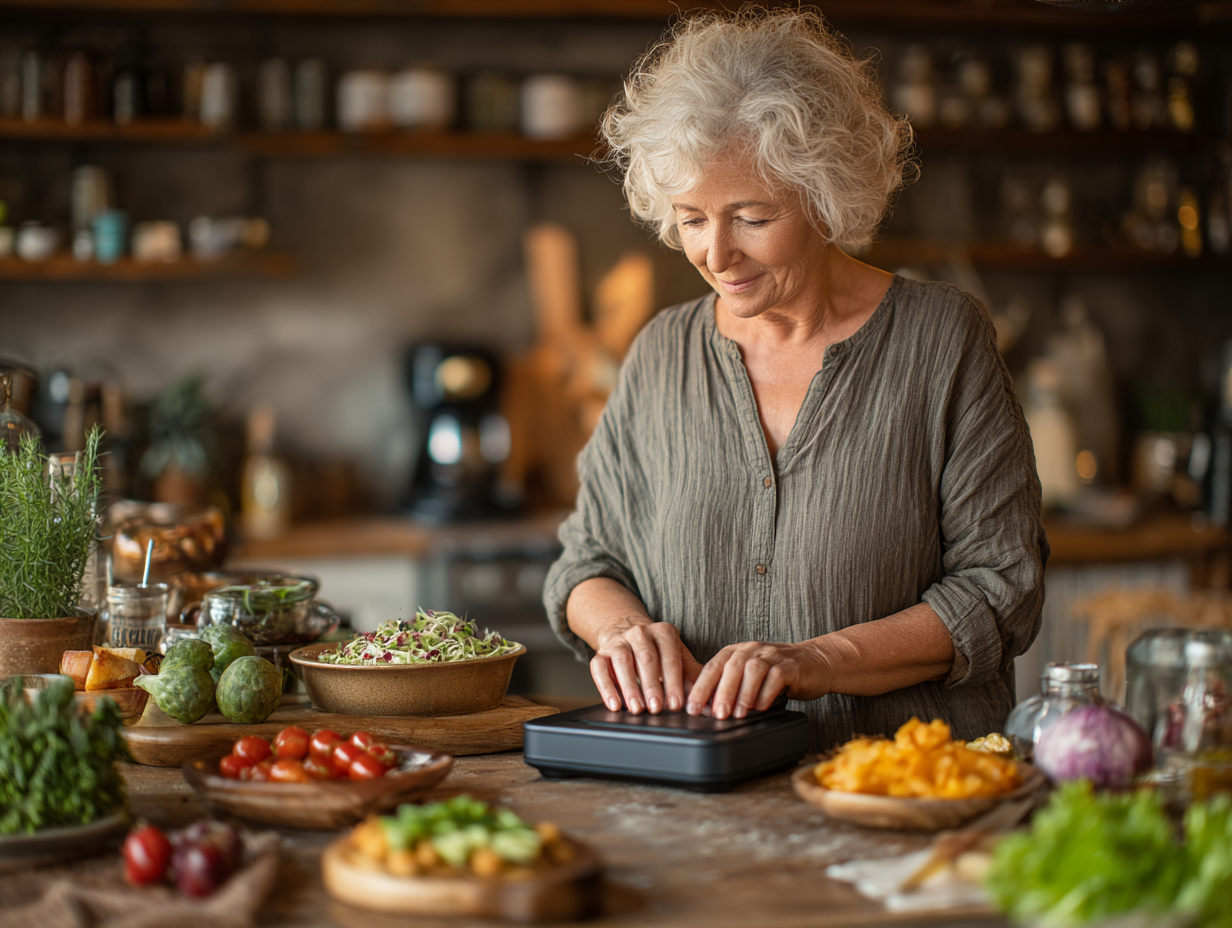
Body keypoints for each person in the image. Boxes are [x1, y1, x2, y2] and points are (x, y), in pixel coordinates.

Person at [543, 8, 1048, 749]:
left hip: (903, 791)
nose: (717, 254)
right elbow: (587, 561)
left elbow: (1000, 588)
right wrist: (622, 630)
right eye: (690, 219)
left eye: (751, 216)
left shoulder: (942, 340)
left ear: (824, 193)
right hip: (696, 800)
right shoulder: (660, 355)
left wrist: (818, 661)